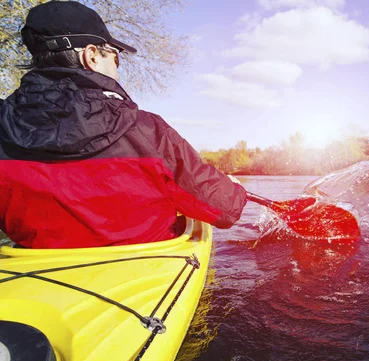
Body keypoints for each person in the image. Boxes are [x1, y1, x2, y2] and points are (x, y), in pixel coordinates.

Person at [0, 1, 247, 249]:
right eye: (116, 59)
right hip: (145, 268)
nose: (118, 70)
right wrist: (235, 191)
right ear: (92, 56)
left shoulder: (3, 127)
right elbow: (224, 209)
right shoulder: (148, 131)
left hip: (35, 270)